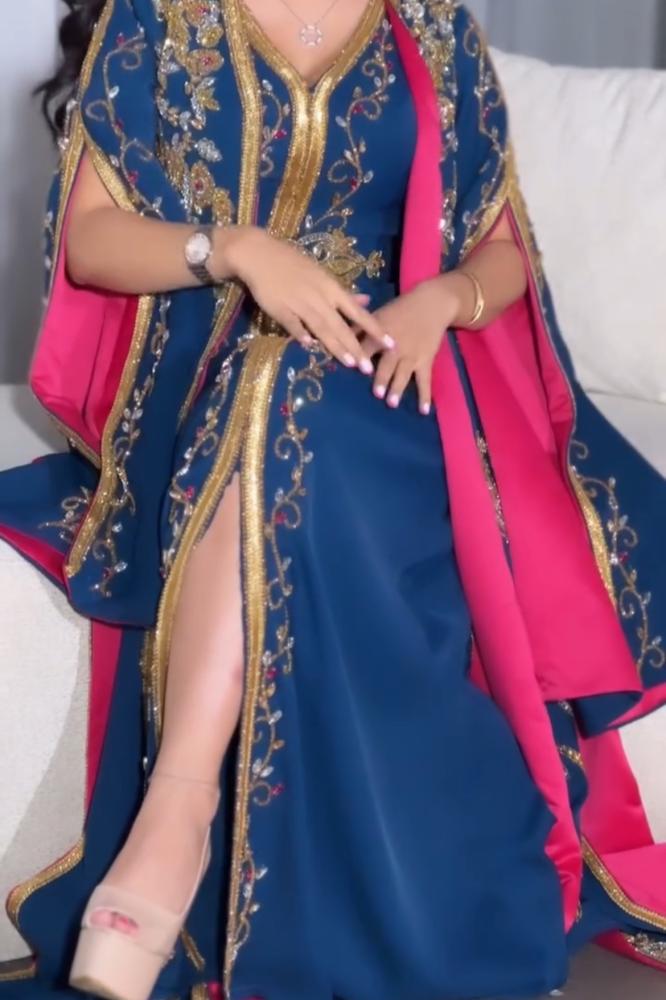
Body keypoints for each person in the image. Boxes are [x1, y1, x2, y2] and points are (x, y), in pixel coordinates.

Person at [1, 1, 665, 998]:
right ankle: (182, 808)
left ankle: (172, 827)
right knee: (274, 375)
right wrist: (234, 251)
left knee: (301, 389)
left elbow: (501, 249)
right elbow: (92, 241)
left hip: (400, 379)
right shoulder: (160, 21)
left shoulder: (430, 27)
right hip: (203, 372)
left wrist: (440, 302)